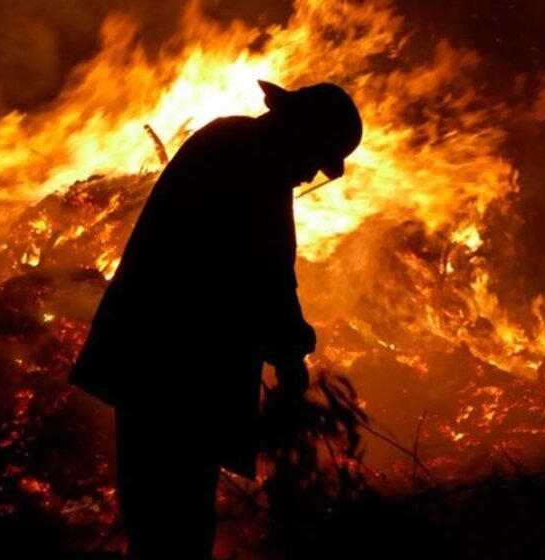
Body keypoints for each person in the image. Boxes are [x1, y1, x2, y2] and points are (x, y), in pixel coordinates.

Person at [69, 80, 363, 559]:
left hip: (154, 367)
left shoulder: (243, 149)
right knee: (175, 525)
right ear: (298, 131)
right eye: (316, 157)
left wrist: (287, 349)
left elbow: (268, 273)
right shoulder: (250, 164)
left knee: (162, 522)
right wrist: (290, 354)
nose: (311, 173)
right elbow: (259, 274)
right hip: (172, 373)